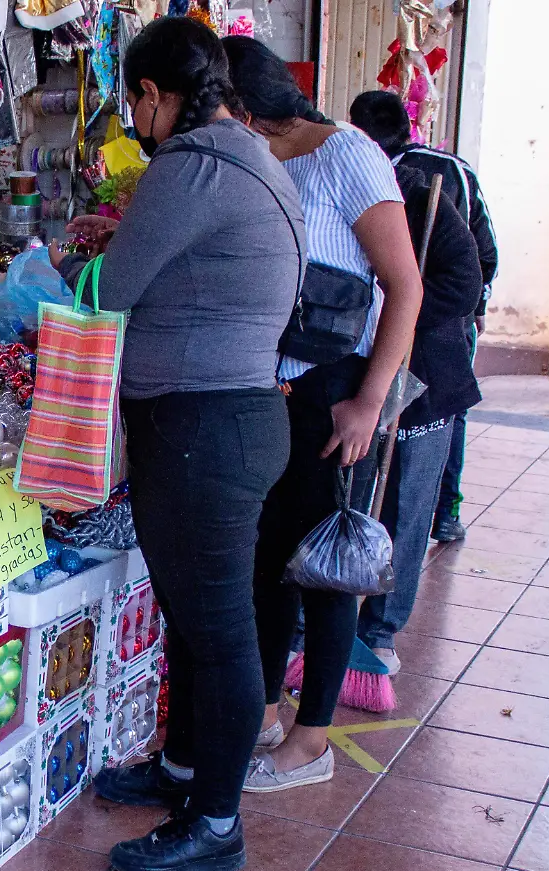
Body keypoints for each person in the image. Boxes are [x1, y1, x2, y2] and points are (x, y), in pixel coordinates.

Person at [49, 17, 305, 871]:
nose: (134, 117)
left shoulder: (190, 167)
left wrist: (66, 266)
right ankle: (188, 770)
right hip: (234, 421)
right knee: (199, 625)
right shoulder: (259, 160)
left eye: (134, 102)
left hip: (203, 428)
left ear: (155, 96)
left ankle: (216, 824)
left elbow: (112, 289)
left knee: (221, 633)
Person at [221, 38, 421, 787]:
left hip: (335, 389)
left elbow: (405, 287)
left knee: (326, 566)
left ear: (243, 108)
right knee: (271, 560)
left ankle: (311, 742)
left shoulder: (348, 155)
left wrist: (369, 400)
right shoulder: (259, 160)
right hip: (274, 389)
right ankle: (268, 714)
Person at [348, 89, 497, 544]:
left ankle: (442, 510)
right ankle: (434, 514)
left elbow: (472, 264)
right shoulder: (448, 168)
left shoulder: (428, 180)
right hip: (407, 330)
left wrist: (408, 313)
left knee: (422, 432)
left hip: (432, 333)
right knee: (391, 450)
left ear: (361, 133)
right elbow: (488, 251)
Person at [353, 165, 484, 668]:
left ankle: (382, 628)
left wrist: (398, 310)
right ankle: (312, 626)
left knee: (405, 510)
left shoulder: (421, 197)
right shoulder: (338, 195)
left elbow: (465, 285)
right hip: (355, 374)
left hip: (426, 378)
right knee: (345, 504)